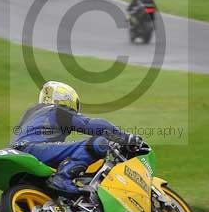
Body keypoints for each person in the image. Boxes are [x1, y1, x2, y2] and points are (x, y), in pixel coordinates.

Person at [11, 81, 143, 196]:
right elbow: (92, 125)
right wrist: (124, 137)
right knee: (97, 143)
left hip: (16, 151)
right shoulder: (57, 110)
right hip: (35, 149)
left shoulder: (31, 114)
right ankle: (63, 178)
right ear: (67, 99)